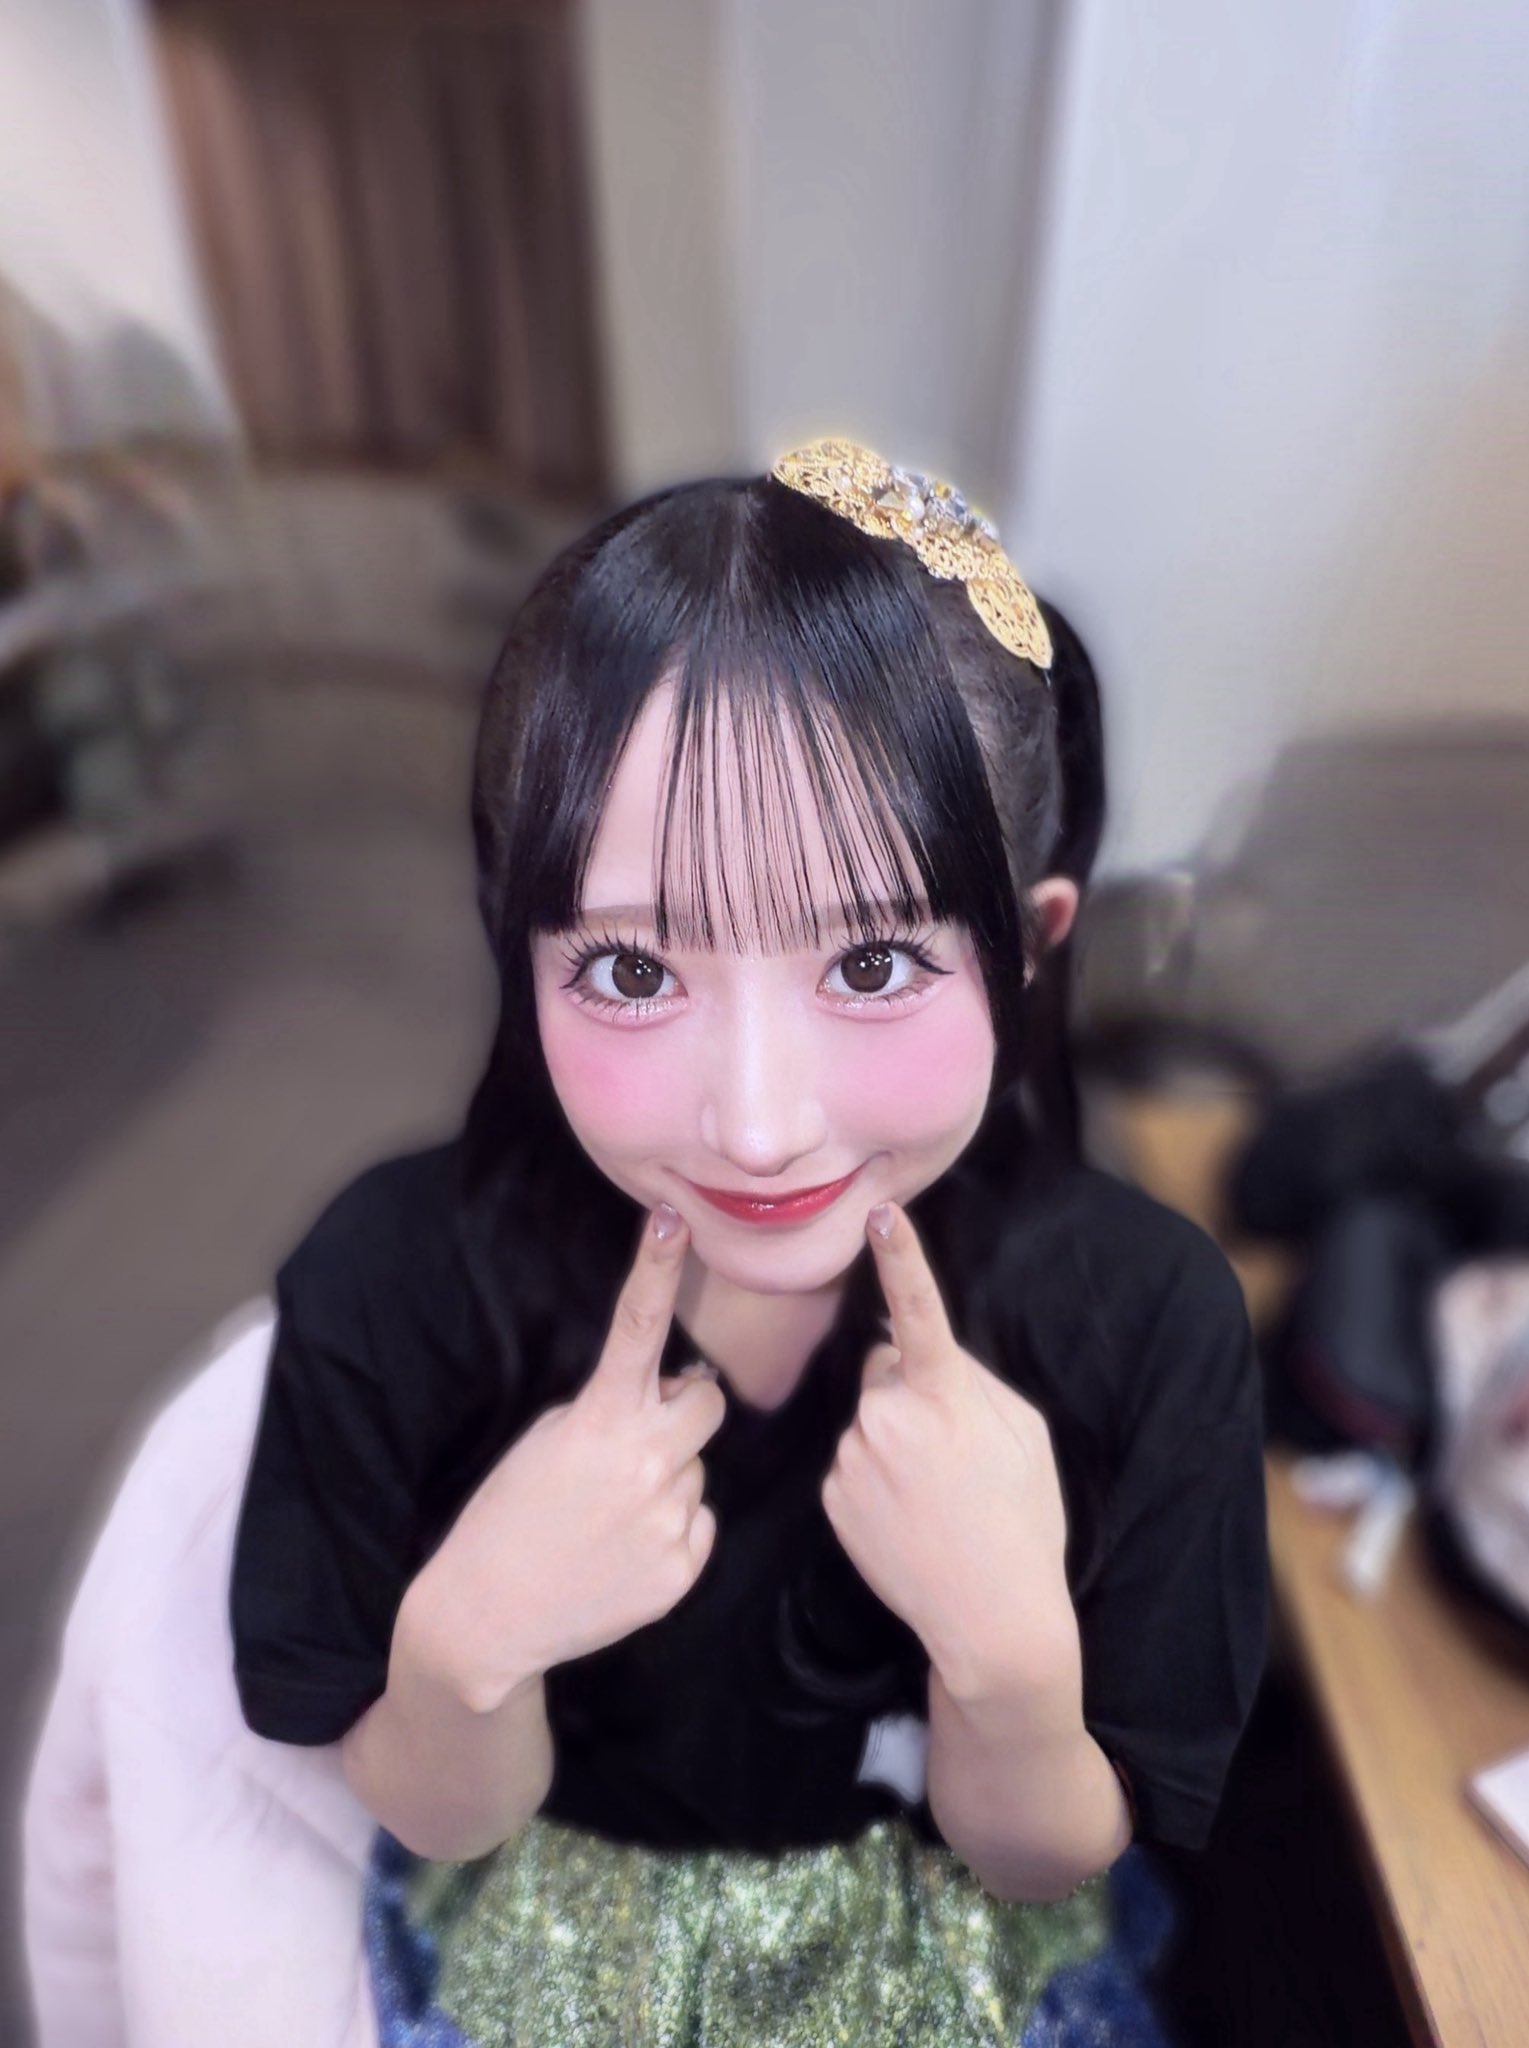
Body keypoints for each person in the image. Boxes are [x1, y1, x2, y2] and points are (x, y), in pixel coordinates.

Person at [225, 440, 1268, 2045]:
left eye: (873, 962)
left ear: (1028, 953)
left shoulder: (1148, 1319)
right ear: (522, 953)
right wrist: (466, 1646)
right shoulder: (388, 1282)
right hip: (551, 1966)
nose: (761, 1127)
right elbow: (443, 1815)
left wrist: (1005, 1667)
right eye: (635, 973)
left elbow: (1046, 1851)